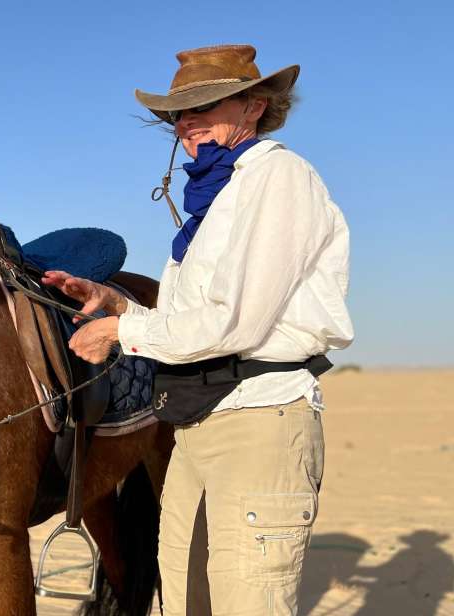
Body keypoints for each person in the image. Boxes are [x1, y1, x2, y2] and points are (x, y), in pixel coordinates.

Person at [43, 45, 353, 614]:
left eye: (205, 105)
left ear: (255, 106)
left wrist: (118, 333)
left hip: (260, 419)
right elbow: (192, 319)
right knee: (184, 601)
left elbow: (234, 322)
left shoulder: (278, 177)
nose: (186, 124)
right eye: (178, 114)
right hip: (193, 421)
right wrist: (119, 306)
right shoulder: (212, 201)